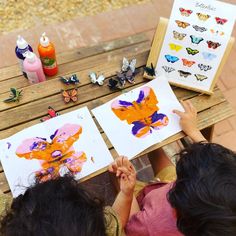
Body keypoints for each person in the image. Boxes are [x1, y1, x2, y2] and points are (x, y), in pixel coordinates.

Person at [109, 100, 236, 236]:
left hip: (143, 213)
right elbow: (217, 164)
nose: (175, 180)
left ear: (176, 210)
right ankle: (152, 147)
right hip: (162, 194)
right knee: (163, 164)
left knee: (117, 172)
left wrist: (127, 192)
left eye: (178, 181)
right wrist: (194, 131)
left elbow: (131, 225)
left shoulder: (151, 226)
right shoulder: (212, 210)